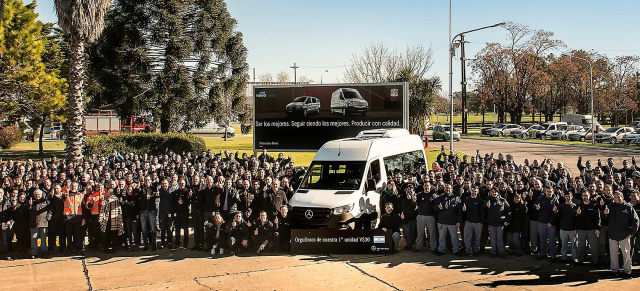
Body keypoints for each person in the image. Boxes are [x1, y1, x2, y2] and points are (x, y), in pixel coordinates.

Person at [605, 191, 639, 279]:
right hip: (612, 235)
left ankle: (628, 272)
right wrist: (605, 214)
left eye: (618, 196)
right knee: (613, 254)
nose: (617, 198)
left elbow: (636, 221)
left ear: (622, 197)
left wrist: (631, 233)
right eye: (615, 197)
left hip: (624, 235)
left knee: (626, 254)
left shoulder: (628, 207)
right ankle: (615, 271)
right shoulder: (610, 206)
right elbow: (604, 219)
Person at [434, 184, 462, 256]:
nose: (448, 190)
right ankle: (441, 250)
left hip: (452, 222)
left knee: (454, 237)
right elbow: (434, 208)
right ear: (444, 189)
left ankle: (456, 250)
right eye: (446, 188)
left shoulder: (456, 198)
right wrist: (438, 208)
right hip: (442, 221)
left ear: (452, 189)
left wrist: (459, 221)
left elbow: (459, 211)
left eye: (449, 188)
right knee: (441, 237)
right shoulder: (439, 198)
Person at [574, 191, 600, 265]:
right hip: (581, 229)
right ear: (581, 196)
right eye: (583, 195)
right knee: (581, 246)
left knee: (593, 246)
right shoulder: (579, 205)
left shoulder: (594, 205)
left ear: (589, 196)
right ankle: (580, 260)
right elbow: (575, 218)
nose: (585, 197)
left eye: (586, 195)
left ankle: (595, 260)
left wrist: (598, 228)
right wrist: (576, 213)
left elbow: (598, 218)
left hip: (591, 229)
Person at [485, 188, 511, 258]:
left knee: (500, 238)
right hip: (491, 222)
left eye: (495, 192)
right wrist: (487, 205)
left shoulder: (503, 200)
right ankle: (493, 251)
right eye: (492, 192)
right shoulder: (488, 200)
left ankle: (501, 252)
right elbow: (484, 208)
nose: (494, 193)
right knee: (493, 238)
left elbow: (508, 211)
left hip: (500, 222)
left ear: (498, 193)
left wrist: (507, 220)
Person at [535, 187, 559, 260]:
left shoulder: (555, 200)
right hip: (542, 222)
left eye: (550, 191)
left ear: (553, 192)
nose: (549, 193)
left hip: (551, 224)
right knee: (542, 239)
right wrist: (536, 207)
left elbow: (557, 213)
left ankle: (552, 254)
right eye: (548, 191)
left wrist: (551, 222)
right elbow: (535, 204)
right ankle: (543, 253)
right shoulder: (541, 198)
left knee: (552, 240)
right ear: (545, 192)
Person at [462, 185, 485, 256]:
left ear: (478, 192)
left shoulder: (480, 200)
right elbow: (463, 212)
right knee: (467, 238)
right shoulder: (466, 199)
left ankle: (476, 250)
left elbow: (482, 212)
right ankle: (468, 251)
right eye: (472, 191)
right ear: (470, 191)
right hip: (468, 222)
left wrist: (482, 222)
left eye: (475, 191)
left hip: (478, 223)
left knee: (477, 238)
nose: (474, 192)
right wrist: (464, 211)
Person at [415, 182, 438, 253]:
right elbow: (416, 204)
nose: (426, 187)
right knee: (420, 233)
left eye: (428, 185)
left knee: (432, 233)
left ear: (430, 186)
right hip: (420, 216)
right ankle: (419, 247)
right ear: (423, 187)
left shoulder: (434, 196)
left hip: (430, 216)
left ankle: (433, 247)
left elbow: (436, 207)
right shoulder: (419, 195)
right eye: (425, 185)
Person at [29, 189, 51, 258]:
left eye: (38, 194)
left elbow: (50, 211)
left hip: (43, 223)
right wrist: (29, 205)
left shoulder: (46, 201)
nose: (37, 196)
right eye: (36, 194)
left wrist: (48, 218)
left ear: (41, 195)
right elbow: (27, 211)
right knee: (34, 239)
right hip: (34, 223)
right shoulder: (31, 202)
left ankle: (44, 251)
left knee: (43, 238)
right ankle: (34, 253)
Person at [557, 191, 577, 263]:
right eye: (566, 196)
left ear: (572, 197)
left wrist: (576, 228)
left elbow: (576, 219)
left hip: (572, 229)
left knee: (574, 245)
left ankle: (574, 257)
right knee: (564, 244)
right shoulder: (561, 206)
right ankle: (564, 257)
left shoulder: (575, 206)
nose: (568, 198)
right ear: (564, 197)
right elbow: (558, 217)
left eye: (569, 196)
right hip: (563, 228)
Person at [399, 185, 418, 250]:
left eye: (411, 189)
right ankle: (408, 244)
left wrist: (412, 200)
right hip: (405, 217)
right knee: (406, 231)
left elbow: (415, 207)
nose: (409, 190)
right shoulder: (402, 196)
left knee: (413, 231)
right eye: (408, 189)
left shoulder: (416, 196)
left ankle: (412, 242)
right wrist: (401, 213)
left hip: (413, 217)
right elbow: (400, 206)